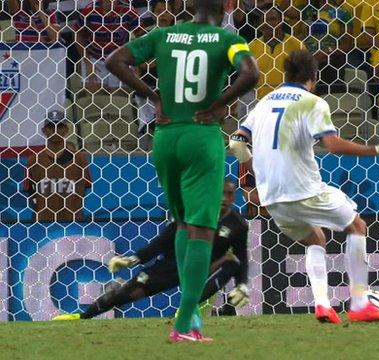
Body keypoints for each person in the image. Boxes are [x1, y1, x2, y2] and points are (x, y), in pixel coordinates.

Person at [105, 0, 259, 342]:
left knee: (181, 224)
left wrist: (153, 96)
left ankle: (193, 324)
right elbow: (251, 73)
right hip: (201, 137)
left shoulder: (164, 34)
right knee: (203, 230)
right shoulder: (226, 38)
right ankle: (184, 323)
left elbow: (115, 60)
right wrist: (219, 103)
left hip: (165, 138)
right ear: (222, 11)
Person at [230, 49, 379, 324]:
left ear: (286, 74)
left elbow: (236, 142)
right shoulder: (312, 102)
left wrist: (252, 166)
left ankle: (322, 305)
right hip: (304, 189)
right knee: (356, 226)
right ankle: (359, 303)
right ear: (313, 76)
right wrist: (378, 148)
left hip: (271, 196)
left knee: (315, 238)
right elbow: (331, 145)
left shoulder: (263, 102)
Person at [52, 180, 249, 321]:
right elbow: (162, 242)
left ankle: (188, 308)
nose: (224, 197)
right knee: (125, 294)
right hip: (171, 266)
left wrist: (242, 284)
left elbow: (241, 255)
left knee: (231, 261)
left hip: (202, 269)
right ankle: (81, 316)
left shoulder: (238, 224)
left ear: (234, 196)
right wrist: (134, 259)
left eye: (229, 193)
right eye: (220, 192)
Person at [24, 110, 92, 222]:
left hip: (73, 224)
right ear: (44, 130)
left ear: (66, 130)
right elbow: (30, 191)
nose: (55, 131)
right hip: (43, 225)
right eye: (51, 127)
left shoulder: (79, 159)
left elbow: (85, 187)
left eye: (59, 126)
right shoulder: (33, 160)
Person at [74, 0, 143, 94]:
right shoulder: (90, 10)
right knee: (93, 100)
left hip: (118, 60)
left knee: (118, 100)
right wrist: (87, 62)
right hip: (94, 59)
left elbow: (140, 36)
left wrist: (135, 64)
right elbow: (78, 35)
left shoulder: (128, 11)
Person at [135, 0, 176, 150]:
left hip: (172, 91)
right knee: (147, 126)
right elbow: (140, 64)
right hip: (148, 89)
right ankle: (142, 157)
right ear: (153, 15)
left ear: (173, 15)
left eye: (167, 11)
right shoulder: (145, 37)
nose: (163, 15)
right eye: (159, 11)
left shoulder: (181, 38)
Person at [249, 7, 306, 101]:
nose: (269, 23)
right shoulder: (252, 47)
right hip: (261, 103)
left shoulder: (297, 45)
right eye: (264, 20)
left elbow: (306, 75)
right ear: (260, 24)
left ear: (281, 20)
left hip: (290, 101)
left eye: (273, 19)